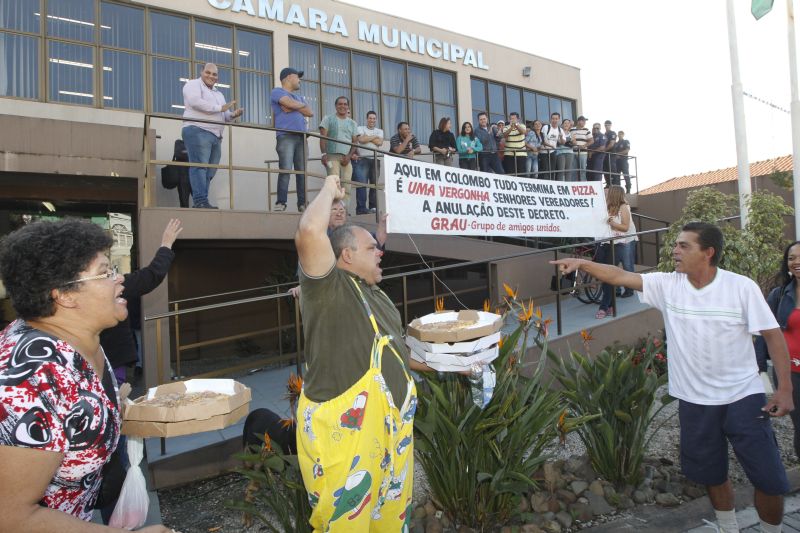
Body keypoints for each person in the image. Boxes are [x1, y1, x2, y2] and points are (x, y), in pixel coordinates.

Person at [551, 222, 793, 533]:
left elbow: (773, 336)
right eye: (675, 245)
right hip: (694, 401)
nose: (674, 251)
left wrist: (784, 388)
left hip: (743, 396)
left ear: (708, 253)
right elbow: (619, 275)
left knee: (769, 478)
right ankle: (728, 527)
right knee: (711, 474)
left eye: (683, 246)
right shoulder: (668, 285)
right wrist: (583, 263)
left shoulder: (740, 287)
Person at [0, 219, 174, 532]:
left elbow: (73, 420)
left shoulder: (79, 338)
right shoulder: (30, 377)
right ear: (65, 295)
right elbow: (10, 516)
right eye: (106, 272)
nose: (120, 280)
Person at [294, 175, 430, 531]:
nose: (380, 251)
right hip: (345, 445)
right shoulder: (328, 291)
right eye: (372, 248)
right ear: (348, 256)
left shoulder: (380, 296)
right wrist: (329, 188)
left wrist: (452, 366)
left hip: (392, 443)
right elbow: (310, 231)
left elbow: (397, 354)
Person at [101, 218, 182, 384]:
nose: (118, 279)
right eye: (105, 272)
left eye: (112, 270)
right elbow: (150, 276)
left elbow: (150, 277)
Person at [756, 241, 800, 462]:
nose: (796, 262)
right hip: (791, 371)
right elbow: (766, 332)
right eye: (791, 258)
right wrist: (760, 368)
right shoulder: (780, 294)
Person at [182, 62, 243, 209]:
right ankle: (200, 200)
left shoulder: (218, 93)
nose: (211, 76)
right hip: (198, 130)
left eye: (214, 74)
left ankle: (202, 200)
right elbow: (195, 102)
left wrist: (233, 114)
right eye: (208, 72)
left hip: (216, 136)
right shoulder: (192, 84)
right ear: (201, 72)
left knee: (209, 171)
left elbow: (224, 115)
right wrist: (220, 108)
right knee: (200, 167)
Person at [271, 67, 313, 212]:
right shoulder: (277, 91)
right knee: (286, 169)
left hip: (302, 138)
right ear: (288, 77)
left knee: (302, 172)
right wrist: (298, 106)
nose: (299, 80)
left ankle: (303, 204)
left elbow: (310, 112)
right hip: (286, 136)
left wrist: (293, 106)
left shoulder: (299, 97)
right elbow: (289, 104)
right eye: (297, 77)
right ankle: (281, 202)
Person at [319, 96, 359, 214]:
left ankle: (344, 210)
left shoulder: (352, 123)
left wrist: (349, 156)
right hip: (332, 156)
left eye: (345, 104)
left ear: (348, 107)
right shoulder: (328, 119)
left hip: (346, 158)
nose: (342, 106)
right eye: (340, 104)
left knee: (347, 185)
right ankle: (334, 210)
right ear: (336, 106)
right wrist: (323, 154)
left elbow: (355, 141)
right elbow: (322, 137)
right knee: (334, 184)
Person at [353, 110, 384, 215]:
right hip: (363, 159)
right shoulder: (360, 128)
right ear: (367, 119)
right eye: (370, 118)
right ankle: (361, 208)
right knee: (362, 184)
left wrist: (368, 138)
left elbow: (379, 142)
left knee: (374, 185)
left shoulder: (380, 131)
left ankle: (373, 207)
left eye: (374, 118)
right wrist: (374, 137)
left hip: (375, 159)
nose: (372, 120)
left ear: (376, 120)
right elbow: (361, 140)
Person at [540, 112, 564, 180]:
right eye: (553, 118)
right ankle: (546, 185)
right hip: (544, 152)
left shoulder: (560, 130)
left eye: (556, 119)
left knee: (552, 170)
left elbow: (562, 142)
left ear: (559, 119)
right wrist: (551, 146)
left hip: (553, 152)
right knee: (546, 170)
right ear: (550, 119)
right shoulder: (545, 127)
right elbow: (542, 140)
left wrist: (561, 137)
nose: (554, 120)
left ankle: (552, 184)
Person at [570, 116, 593, 181]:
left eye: (584, 121)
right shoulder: (571, 129)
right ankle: (574, 185)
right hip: (573, 152)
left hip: (582, 153)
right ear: (579, 121)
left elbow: (591, 140)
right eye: (583, 121)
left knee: (582, 170)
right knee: (573, 170)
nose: (584, 122)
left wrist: (584, 146)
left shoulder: (586, 130)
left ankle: (583, 184)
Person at [603, 120, 618, 187]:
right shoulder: (604, 134)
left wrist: (604, 150)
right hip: (605, 155)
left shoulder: (613, 133)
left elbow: (611, 144)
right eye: (606, 125)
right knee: (605, 170)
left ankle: (615, 184)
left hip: (611, 154)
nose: (607, 126)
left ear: (610, 125)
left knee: (612, 169)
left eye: (608, 125)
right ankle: (608, 184)